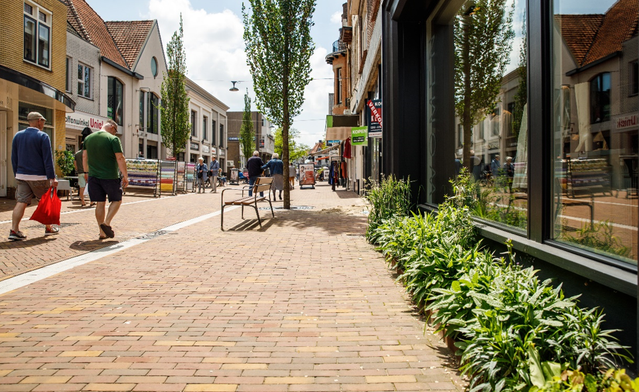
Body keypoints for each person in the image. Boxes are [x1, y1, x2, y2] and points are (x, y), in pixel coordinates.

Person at [9, 112, 60, 241]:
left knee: (21, 202)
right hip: (39, 176)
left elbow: (14, 158)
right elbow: (47, 159)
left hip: (22, 175)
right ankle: (48, 227)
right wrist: (52, 178)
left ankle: (14, 230)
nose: (44, 123)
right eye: (43, 120)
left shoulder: (18, 136)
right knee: (45, 201)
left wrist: (17, 173)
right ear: (38, 121)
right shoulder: (42, 136)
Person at [82, 119, 129, 240]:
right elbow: (120, 158)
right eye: (115, 131)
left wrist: (86, 172)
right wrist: (125, 175)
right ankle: (106, 223)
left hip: (93, 176)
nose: (115, 133)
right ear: (112, 127)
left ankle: (101, 232)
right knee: (117, 200)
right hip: (110, 176)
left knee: (100, 203)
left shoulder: (88, 138)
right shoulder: (113, 139)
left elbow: (84, 156)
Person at [74, 137, 94, 208]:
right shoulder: (88, 153)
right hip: (88, 172)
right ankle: (92, 201)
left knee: (81, 187)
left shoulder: (77, 154)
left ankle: (83, 201)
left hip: (80, 172)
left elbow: (75, 163)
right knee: (91, 186)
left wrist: (78, 169)